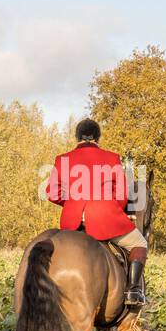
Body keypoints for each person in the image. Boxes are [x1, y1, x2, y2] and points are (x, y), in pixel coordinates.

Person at [45, 118, 148, 306]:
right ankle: (133, 291)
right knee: (139, 243)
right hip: (105, 218)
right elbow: (122, 195)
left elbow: (52, 193)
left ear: (77, 138)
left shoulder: (62, 159)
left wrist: (73, 204)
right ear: (98, 138)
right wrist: (111, 207)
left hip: (73, 222)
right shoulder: (111, 158)